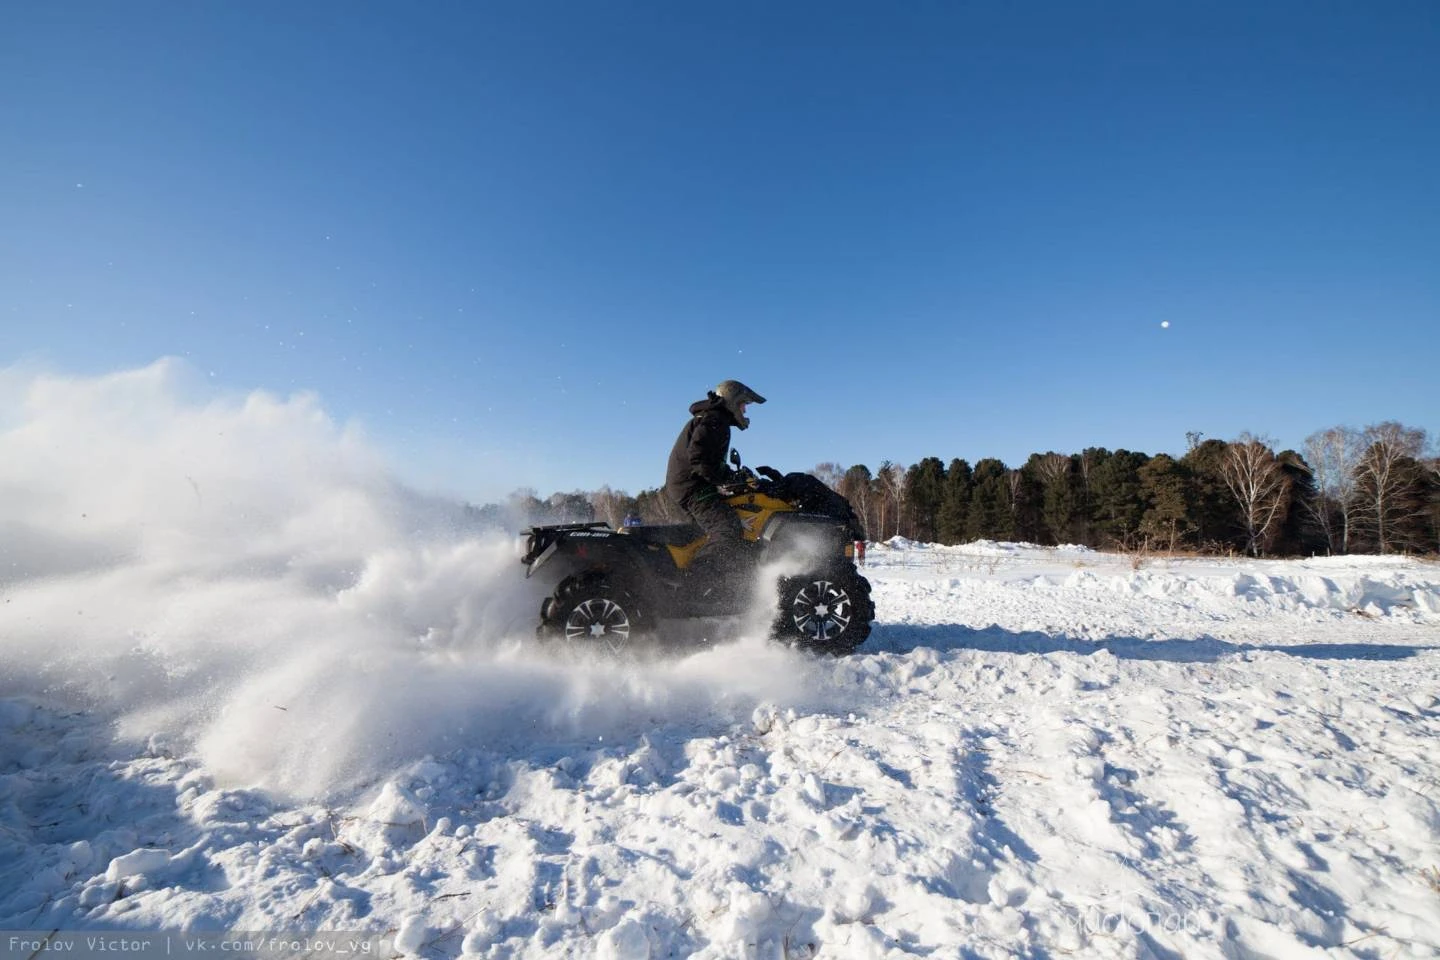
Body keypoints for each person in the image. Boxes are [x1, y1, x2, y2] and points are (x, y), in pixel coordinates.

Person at [664, 380, 766, 582]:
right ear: (732, 401)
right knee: (727, 530)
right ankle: (694, 582)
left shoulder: (713, 419)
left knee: (706, 534)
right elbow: (699, 459)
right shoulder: (715, 420)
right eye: (743, 404)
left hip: (687, 485)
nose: (745, 410)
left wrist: (730, 477)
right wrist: (728, 477)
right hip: (693, 488)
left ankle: (720, 580)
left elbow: (707, 461)